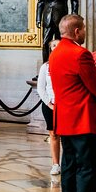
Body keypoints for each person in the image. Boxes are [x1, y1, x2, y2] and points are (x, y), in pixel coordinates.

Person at [50, 14, 96, 192]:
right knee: (88, 170)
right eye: (83, 28)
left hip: (65, 121)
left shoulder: (55, 53)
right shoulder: (80, 54)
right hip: (82, 120)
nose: (85, 32)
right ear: (76, 31)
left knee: (69, 169)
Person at [36, 39, 61, 175]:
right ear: (50, 49)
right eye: (54, 46)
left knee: (69, 136)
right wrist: (49, 104)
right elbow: (41, 88)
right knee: (54, 134)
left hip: (65, 105)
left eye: (59, 45)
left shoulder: (67, 64)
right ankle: (56, 163)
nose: (57, 47)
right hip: (50, 104)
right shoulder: (45, 67)